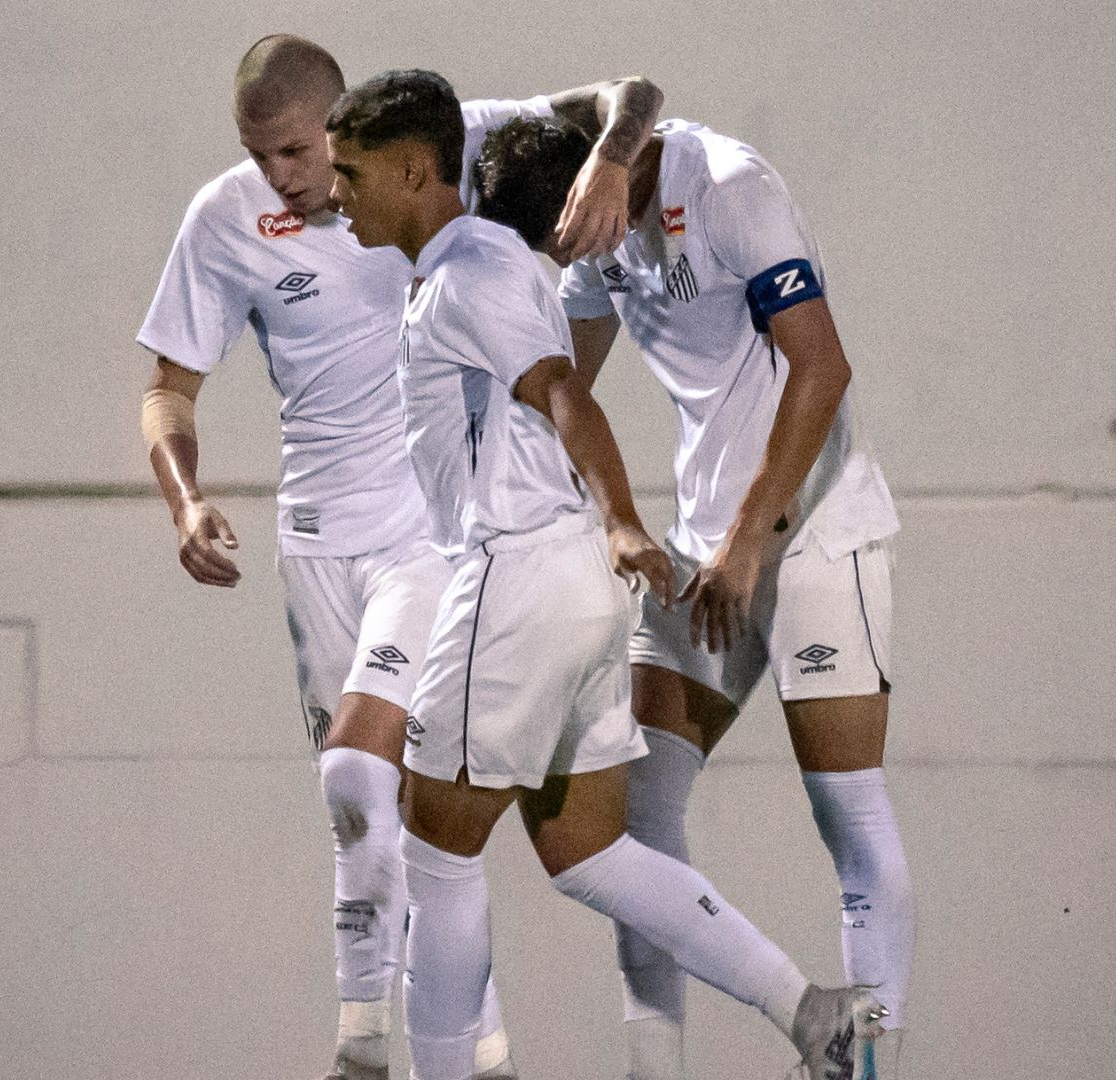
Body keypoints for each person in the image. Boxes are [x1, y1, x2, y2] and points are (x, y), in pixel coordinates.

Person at [325, 68, 886, 1080]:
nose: (333, 193)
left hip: (519, 582)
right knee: (587, 849)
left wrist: (626, 522)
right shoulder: (507, 272)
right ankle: (814, 1015)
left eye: (350, 173)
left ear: (417, 172)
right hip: (575, 588)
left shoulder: (472, 275)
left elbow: (565, 401)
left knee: (435, 848)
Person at [134, 35, 667, 1080]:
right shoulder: (225, 218)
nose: (290, 181)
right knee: (379, 822)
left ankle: (364, 1050)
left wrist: (613, 155)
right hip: (316, 545)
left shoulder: (435, 143)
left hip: (434, 541)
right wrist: (185, 502)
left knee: (361, 772)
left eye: (301, 153)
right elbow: (169, 386)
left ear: (344, 123)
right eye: (266, 159)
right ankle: (483, 1055)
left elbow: (631, 92)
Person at [472, 114, 913, 1080]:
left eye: (565, 243)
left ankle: (868, 1062)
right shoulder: (588, 232)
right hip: (701, 550)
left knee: (846, 807)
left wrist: (751, 534)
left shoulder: (731, 191)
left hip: (812, 538)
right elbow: (560, 395)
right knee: (636, 814)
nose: (567, 264)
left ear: (598, 188)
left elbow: (824, 367)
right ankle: (655, 1067)